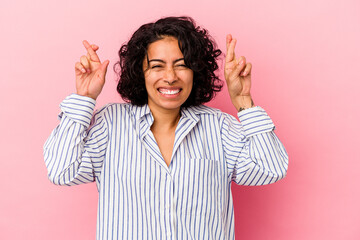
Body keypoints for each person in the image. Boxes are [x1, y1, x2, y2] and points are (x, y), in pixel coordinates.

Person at [44, 16, 288, 240]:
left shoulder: (219, 127)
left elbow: (270, 169)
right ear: (141, 72)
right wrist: (84, 98)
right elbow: (61, 170)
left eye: (181, 65)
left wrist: (244, 101)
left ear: (195, 70)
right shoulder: (110, 124)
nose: (170, 77)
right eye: (157, 66)